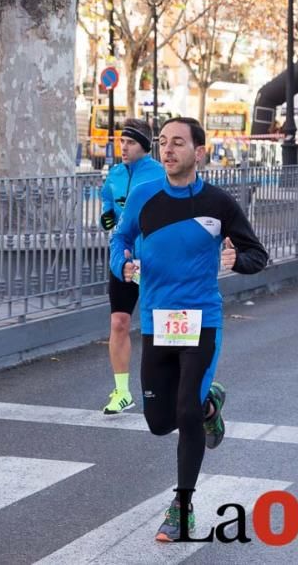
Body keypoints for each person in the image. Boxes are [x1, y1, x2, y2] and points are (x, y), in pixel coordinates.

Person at [110, 117, 268, 542]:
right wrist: (121, 265)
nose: (168, 150)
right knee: (159, 422)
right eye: (163, 143)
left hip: (201, 322)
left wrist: (239, 261)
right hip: (159, 322)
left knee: (183, 410)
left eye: (178, 143)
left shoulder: (219, 203)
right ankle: (210, 406)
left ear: (199, 152)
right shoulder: (143, 197)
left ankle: (182, 508)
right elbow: (119, 240)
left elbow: (258, 253)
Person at [99, 118, 165, 414]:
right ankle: (122, 392)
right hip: (123, 260)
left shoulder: (160, 175)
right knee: (119, 322)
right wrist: (107, 219)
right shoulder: (113, 174)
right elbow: (109, 211)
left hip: (156, 261)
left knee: (163, 328)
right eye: (122, 141)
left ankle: (173, 387)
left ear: (145, 147)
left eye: (130, 143)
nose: (123, 147)